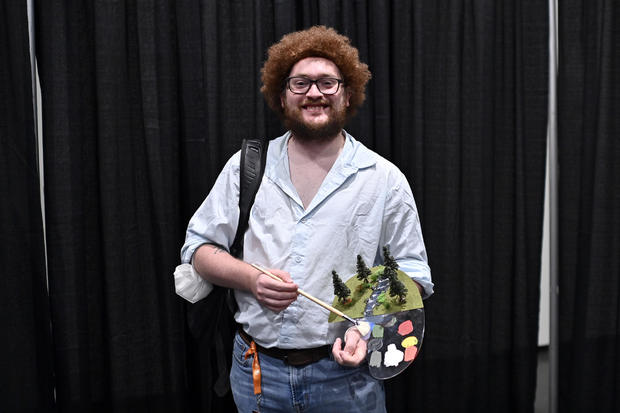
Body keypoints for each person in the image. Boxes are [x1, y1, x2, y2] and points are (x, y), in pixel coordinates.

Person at [181, 25, 433, 413]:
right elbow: (198, 249)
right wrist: (252, 279)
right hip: (255, 374)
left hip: (347, 381)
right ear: (281, 97)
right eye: (300, 83)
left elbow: (413, 273)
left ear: (348, 95)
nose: (314, 93)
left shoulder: (384, 179)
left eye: (327, 83)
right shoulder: (247, 167)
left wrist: (366, 331)